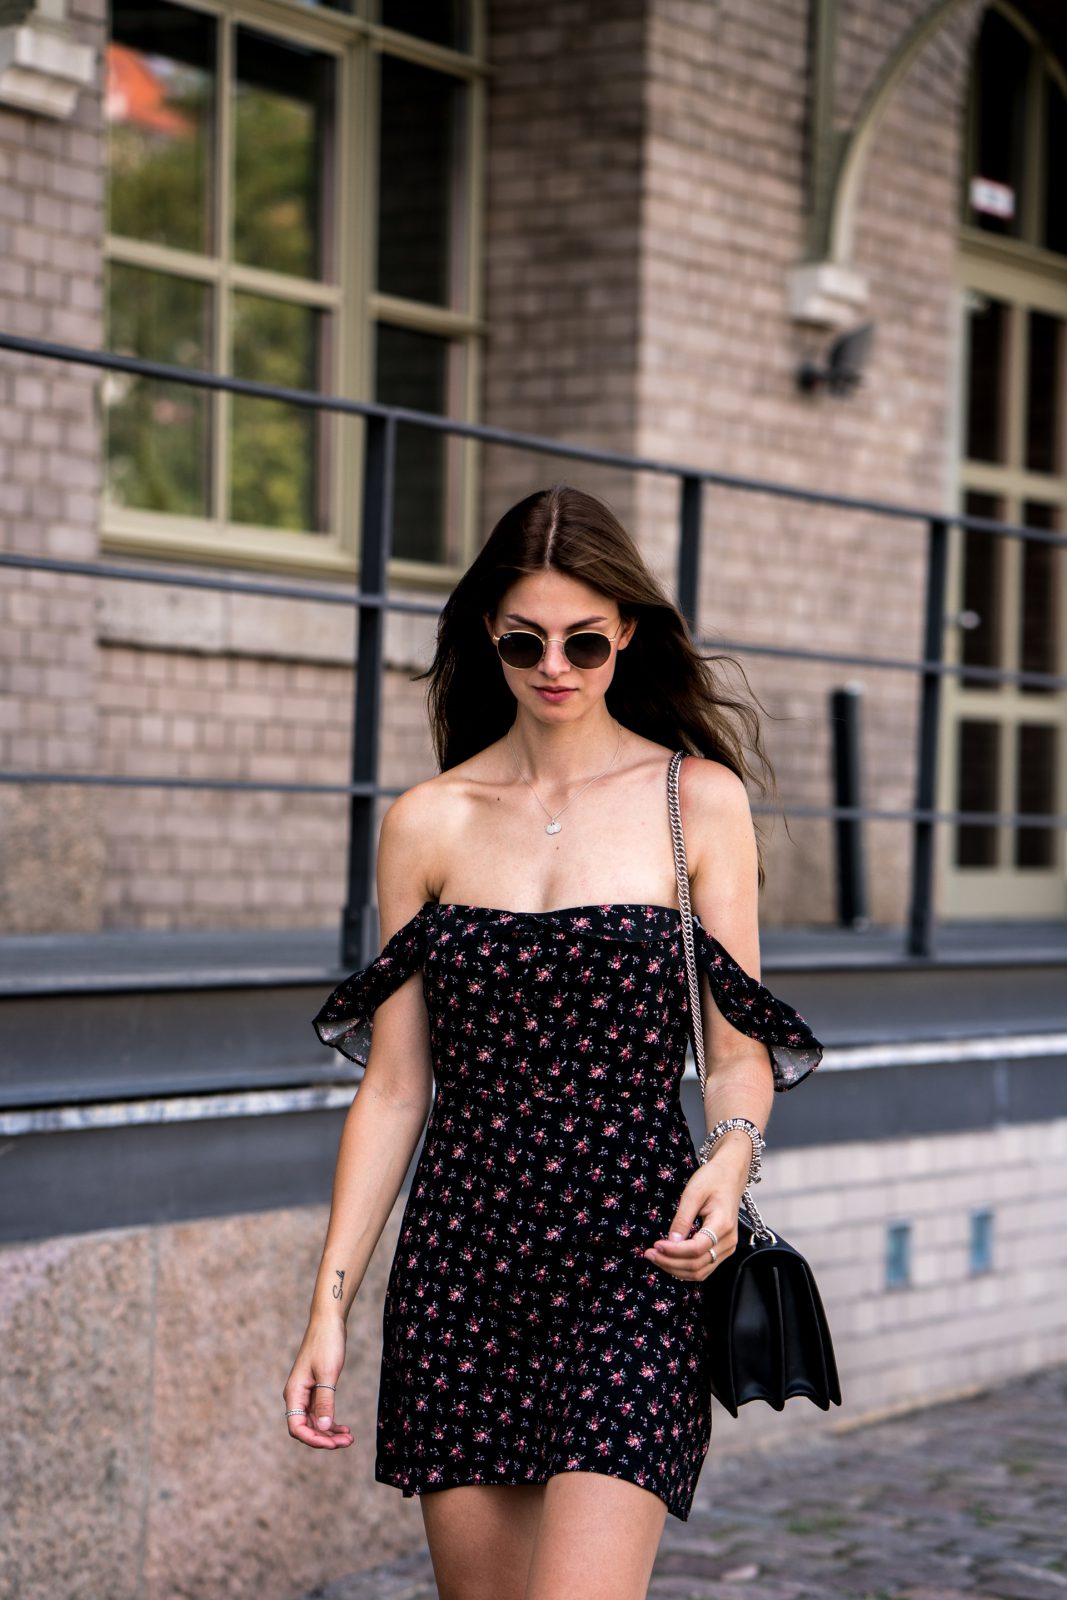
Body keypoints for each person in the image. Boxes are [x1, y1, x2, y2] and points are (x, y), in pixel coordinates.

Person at [284, 484, 822, 1600]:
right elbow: (392, 1089)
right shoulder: (428, 820)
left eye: (584, 639)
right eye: (526, 639)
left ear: (627, 628)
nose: (556, 666)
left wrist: (728, 1156)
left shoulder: (695, 801)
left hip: (633, 1256)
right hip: (462, 1266)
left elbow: (736, 1049)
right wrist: (327, 1307)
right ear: (490, 631)